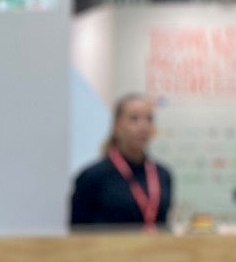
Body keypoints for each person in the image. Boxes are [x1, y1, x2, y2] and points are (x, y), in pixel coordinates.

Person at [70, 94, 175, 229]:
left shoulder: (163, 175)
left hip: (153, 249)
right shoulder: (93, 176)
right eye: (134, 119)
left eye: (149, 119)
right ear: (117, 125)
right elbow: (76, 231)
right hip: (107, 249)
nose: (143, 126)